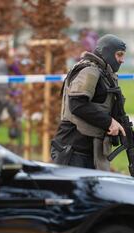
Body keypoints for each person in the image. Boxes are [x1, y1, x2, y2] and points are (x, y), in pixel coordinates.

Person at [51, 34, 127, 170]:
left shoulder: (105, 73)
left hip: (90, 148)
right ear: (107, 52)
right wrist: (109, 122)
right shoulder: (89, 71)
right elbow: (77, 105)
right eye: (119, 55)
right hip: (74, 148)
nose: (122, 60)